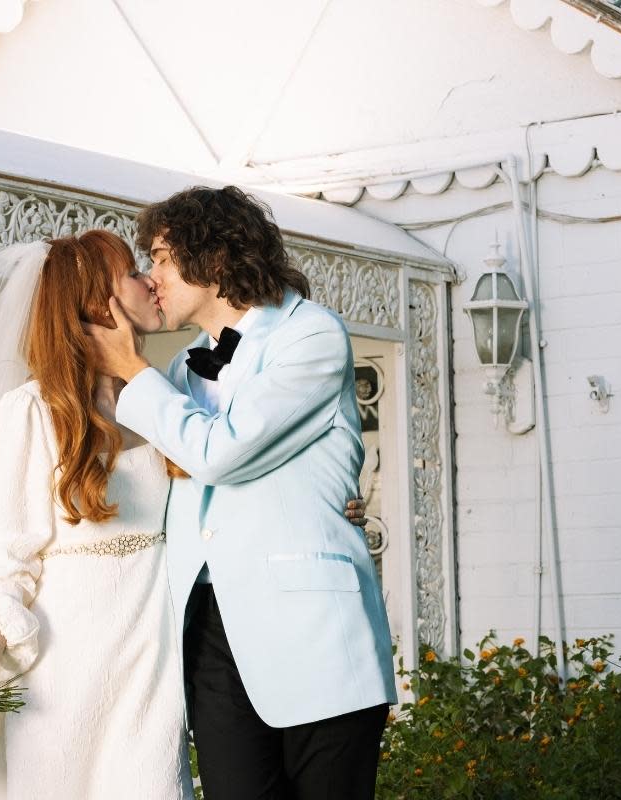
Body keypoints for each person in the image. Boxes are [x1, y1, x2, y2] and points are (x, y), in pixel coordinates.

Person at [0, 229, 368, 800]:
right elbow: (9, 558)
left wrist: (329, 504)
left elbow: (230, 466)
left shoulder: (169, 393)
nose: (151, 281)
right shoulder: (33, 410)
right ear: (97, 300)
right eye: (134, 273)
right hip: (67, 665)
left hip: (153, 661)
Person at [86, 186, 397, 800]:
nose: (151, 279)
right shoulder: (182, 369)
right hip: (208, 631)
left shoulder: (311, 336)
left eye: (161, 259)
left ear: (216, 258)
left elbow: (218, 451)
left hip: (314, 630)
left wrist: (130, 367)